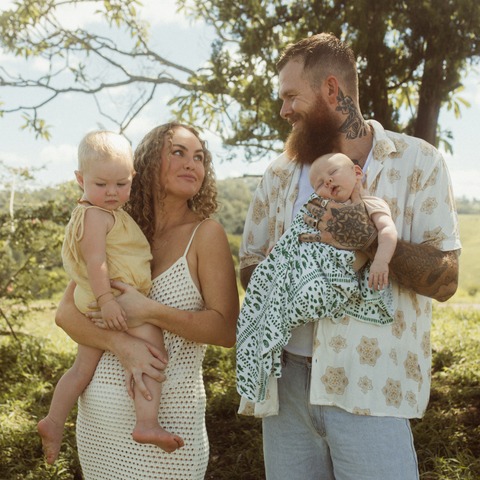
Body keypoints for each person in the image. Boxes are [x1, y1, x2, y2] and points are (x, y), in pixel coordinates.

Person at [239, 33, 460, 479]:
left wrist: (370, 240)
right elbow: (250, 265)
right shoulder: (280, 175)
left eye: (290, 97)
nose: (284, 111)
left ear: (331, 90)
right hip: (286, 389)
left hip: (373, 385)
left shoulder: (418, 162)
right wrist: (297, 278)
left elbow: (448, 279)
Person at [54, 122, 239, 480]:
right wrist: (121, 344)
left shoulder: (206, 234)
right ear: (148, 162)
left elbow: (225, 330)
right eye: (178, 152)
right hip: (99, 430)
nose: (192, 164)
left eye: (199, 157)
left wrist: (149, 310)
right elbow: (66, 314)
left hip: (170, 426)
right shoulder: (114, 225)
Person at [37, 131, 184, 465]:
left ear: (132, 178)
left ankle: (54, 421)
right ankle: (146, 422)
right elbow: (95, 261)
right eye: (101, 184)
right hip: (111, 302)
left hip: (103, 303)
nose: (112, 193)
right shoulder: (95, 215)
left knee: (81, 369)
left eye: (121, 184)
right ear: (80, 180)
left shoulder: (106, 213)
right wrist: (106, 301)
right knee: (153, 348)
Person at [236, 152, 397, 404]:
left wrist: (380, 261)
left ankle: (283, 320)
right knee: (273, 285)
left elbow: (387, 232)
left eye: (332, 173)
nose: (327, 183)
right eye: (319, 184)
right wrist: (280, 248)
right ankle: (271, 331)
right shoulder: (320, 207)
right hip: (316, 267)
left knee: (303, 298)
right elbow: (301, 231)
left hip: (339, 276)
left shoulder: (370, 203)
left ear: (357, 173)